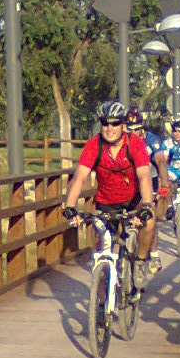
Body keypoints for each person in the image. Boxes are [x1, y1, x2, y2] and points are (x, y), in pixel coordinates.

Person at [60, 100, 159, 287]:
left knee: (149, 222)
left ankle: (139, 262)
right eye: (105, 123)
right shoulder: (94, 145)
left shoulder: (135, 144)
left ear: (123, 125)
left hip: (133, 201)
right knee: (101, 244)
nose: (109, 128)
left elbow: (144, 177)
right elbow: (79, 177)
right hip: (106, 202)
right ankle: (100, 296)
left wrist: (147, 204)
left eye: (115, 123)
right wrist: (70, 206)